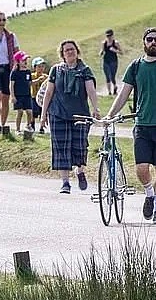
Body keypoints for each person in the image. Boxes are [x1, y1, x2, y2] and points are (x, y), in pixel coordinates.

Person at [106, 28, 156, 224]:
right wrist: (110, 115)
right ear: (144, 42)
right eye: (149, 39)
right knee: (142, 168)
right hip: (142, 125)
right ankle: (149, 193)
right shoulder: (135, 66)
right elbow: (123, 94)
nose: (153, 42)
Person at [40, 40, 101, 194]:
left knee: (79, 146)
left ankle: (80, 171)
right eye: (66, 50)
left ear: (77, 51)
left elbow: (91, 90)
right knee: (61, 148)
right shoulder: (56, 70)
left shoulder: (84, 70)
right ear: (62, 54)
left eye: (72, 49)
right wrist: (43, 115)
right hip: (58, 113)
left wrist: (95, 108)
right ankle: (65, 183)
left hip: (80, 115)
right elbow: (49, 92)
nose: (69, 52)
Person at [9, 52, 34, 132]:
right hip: (18, 95)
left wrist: (38, 81)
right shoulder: (15, 72)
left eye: (26, 60)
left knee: (29, 112)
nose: (25, 61)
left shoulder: (28, 72)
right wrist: (12, 96)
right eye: (23, 60)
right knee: (20, 112)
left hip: (27, 95)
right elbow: (11, 84)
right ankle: (17, 129)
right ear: (18, 62)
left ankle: (28, 126)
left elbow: (30, 83)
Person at [100, 29, 123, 96]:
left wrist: (115, 50)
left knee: (112, 76)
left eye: (110, 36)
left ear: (113, 35)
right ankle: (109, 92)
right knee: (107, 76)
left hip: (113, 61)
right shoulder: (104, 43)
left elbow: (121, 52)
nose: (109, 37)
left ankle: (115, 87)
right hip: (106, 61)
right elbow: (102, 51)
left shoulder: (115, 43)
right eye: (107, 36)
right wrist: (101, 52)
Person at [30, 57, 48, 133]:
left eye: (42, 66)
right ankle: (32, 124)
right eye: (39, 67)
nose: (41, 68)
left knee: (42, 112)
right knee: (34, 112)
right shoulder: (32, 76)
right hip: (34, 97)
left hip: (43, 98)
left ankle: (41, 127)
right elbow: (29, 83)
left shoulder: (46, 77)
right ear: (35, 67)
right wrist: (37, 80)